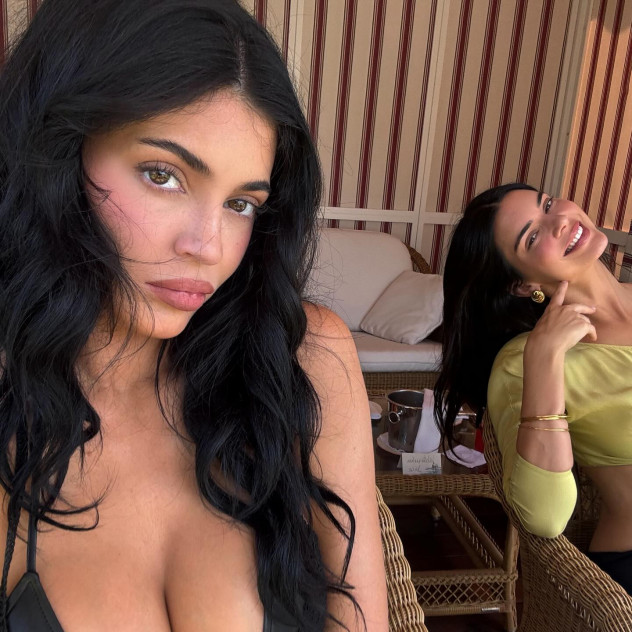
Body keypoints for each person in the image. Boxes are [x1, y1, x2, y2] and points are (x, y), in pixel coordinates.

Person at [0, 0, 388, 630]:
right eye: (163, 175)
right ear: (57, 154)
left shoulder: (303, 363)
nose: (208, 247)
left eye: (241, 203)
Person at [434, 182, 632, 594]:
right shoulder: (526, 361)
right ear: (522, 286)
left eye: (548, 203)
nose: (560, 220)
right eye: (533, 236)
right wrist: (545, 357)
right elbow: (544, 516)